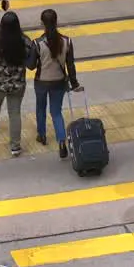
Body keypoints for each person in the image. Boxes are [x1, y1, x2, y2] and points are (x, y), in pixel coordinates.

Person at [31, 9, 82, 159]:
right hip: (59, 82)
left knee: (40, 108)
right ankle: (61, 142)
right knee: (56, 112)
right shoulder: (67, 41)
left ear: (42, 24)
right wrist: (74, 83)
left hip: (41, 82)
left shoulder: (38, 43)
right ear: (56, 22)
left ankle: (42, 135)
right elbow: (70, 65)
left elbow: (31, 66)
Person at [0, 11, 34, 157]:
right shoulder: (25, 41)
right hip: (17, 85)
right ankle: (15, 146)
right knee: (15, 113)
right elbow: (30, 59)